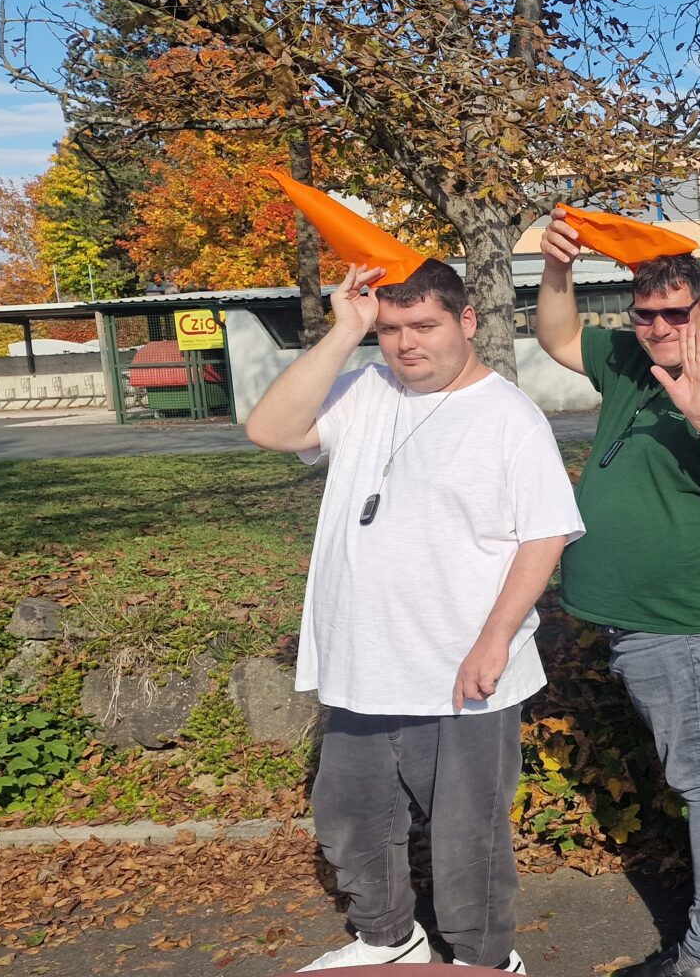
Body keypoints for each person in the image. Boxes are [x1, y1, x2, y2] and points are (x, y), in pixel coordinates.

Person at [249, 172, 583, 975]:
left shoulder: (508, 416)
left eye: (424, 325)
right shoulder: (365, 390)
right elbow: (270, 428)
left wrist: (495, 640)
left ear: (466, 321)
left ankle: (485, 958)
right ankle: (387, 936)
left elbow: (544, 536)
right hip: (364, 661)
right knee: (352, 816)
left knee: (468, 836)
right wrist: (345, 331)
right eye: (391, 328)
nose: (406, 344)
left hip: (460, 666)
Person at [537, 204, 700, 977]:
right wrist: (557, 267)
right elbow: (557, 336)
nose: (656, 328)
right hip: (642, 616)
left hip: (685, 619)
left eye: (673, 314)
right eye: (643, 313)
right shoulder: (628, 358)